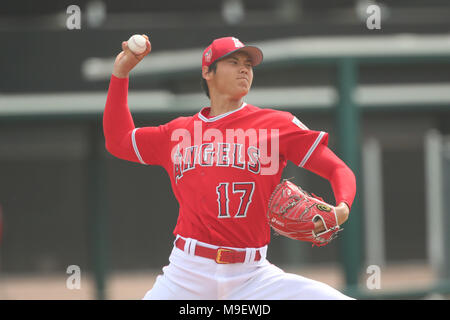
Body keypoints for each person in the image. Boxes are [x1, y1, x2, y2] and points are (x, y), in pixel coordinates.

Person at [103, 35, 357, 300]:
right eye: (234, 62)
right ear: (207, 71)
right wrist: (121, 73)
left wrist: (343, 208)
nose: (244, 68)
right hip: (187, 274)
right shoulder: (178, 132)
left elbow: (338, 170)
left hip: (253, 277)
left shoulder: (276, 125)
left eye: (248, 63)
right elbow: (118, 140)